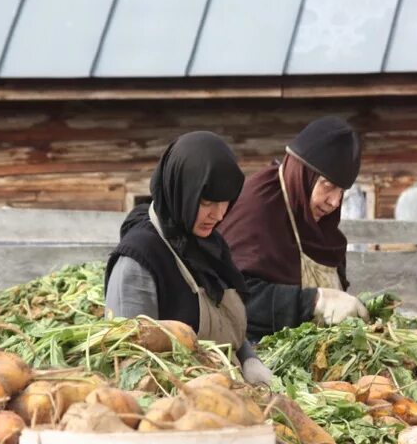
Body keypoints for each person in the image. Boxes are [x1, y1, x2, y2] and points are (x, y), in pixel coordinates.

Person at [104, 131, 274, 386]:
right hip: (174, 411)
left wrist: (249, 359)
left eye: (225, 202)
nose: (217, 215)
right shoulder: (138, 261)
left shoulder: (210, 246)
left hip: (233, 399)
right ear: (181, 190)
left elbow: (229, 326)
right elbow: (130, 367)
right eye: (206, 202)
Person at [219, 116, 370, 340]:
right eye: (328, 187)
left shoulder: (322, 224)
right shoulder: (258, 208)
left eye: (342, 191)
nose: (335, 202)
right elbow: (235, 299)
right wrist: (314, 301)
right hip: (254, 353)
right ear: (303, 175)